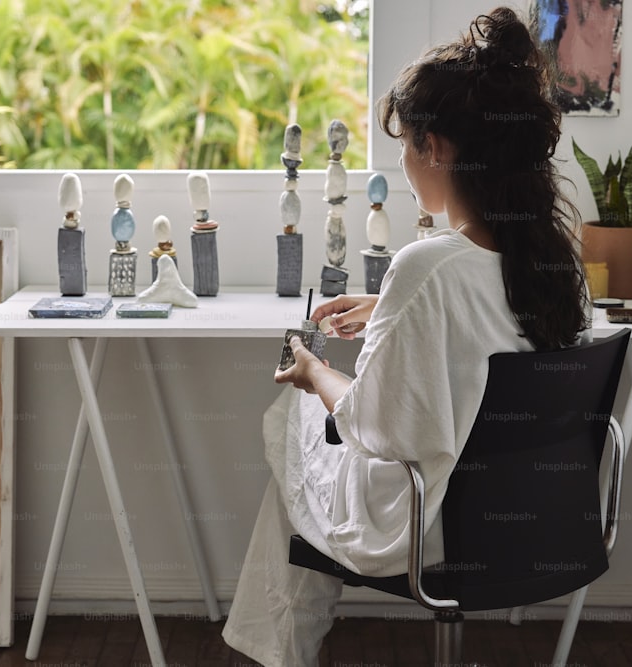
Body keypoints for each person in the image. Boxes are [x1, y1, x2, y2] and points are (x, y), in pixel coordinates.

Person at [222, 6, 591, 666]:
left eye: (405, 141)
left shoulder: (424, 268)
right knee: (310, 461)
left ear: (437, 148)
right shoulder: (554, 260)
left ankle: (277, 653)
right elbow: (484, 340)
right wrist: (389, 306)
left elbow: (372, 423)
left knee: (297, 432)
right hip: (533, 520)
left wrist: (310, 371)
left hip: (433, 528)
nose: (401, 159)